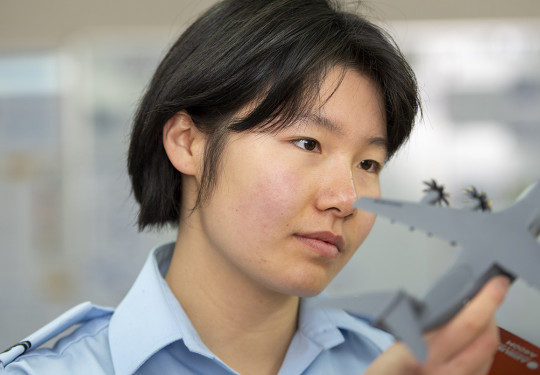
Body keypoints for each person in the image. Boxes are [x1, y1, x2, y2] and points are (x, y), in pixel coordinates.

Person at [0, 0, 510, 374]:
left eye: (370, 162)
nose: (347, 197)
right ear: (188, 143)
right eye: (308, 143)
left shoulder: (399, 364)